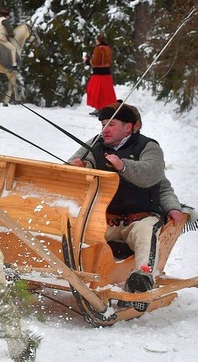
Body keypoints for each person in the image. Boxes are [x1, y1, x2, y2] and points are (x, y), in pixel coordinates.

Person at [68, 102, 183, 297]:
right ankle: (71, 270)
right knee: (77, 229)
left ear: (129, 127)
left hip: (141, 216)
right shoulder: (95, 144)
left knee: (146, 232)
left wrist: (123, 166)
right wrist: (79, 167)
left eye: (111, 124)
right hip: (105, 217)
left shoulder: (149, 147)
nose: (105, 130)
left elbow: (152, 173)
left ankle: (143, 277)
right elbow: (70, 167)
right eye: (103, 124)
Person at [85, 33, 117, 115]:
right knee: (106, 93)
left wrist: (88, 61)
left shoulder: (98, 49)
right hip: (107, 74)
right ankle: (105, 108)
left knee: (96, 92)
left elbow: (96, 61)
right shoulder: (108, 48)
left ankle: (98, 108)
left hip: (98, 74)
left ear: (98, 40)